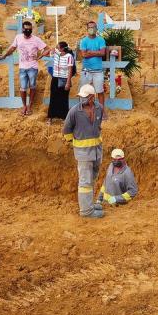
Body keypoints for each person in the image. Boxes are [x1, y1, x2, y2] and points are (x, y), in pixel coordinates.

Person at [62, 84, 105, 218]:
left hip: (97, 151)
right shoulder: (74, 111)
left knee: (92, 179)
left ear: (92, 97)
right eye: (81, 97)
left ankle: (89, 204)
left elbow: (98, 127)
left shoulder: (99, 108)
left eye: (85, 97)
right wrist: (74, 142)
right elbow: (66, 130)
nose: (82, 99)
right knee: (85, 181)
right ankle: (86, 211)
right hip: (83, 153)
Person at [1, 19, 49, 116]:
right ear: (22, 29)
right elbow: (13, 48)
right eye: (26, 29)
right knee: (23, 88)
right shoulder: (18, 38)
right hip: (22, 67)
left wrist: (39, 56)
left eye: (29, 29)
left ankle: (30, 106)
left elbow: (47, 49)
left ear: (31, 30)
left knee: (32, 86)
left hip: (33, 67)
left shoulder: (36, 39)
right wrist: (5, 55)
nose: (28, 31)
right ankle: (24, 106)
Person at [78, 21, 107, 107]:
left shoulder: (101, 40)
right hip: (86, 70)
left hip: (98, 71)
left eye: (93, 27)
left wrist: (90, 52)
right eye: (90, 27)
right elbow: (83, 55)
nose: (92, 29)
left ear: (96, 29)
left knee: (100, 91)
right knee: (84, 91)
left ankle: (102, 110)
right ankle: (83, 109)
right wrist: (96, 52)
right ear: (87, 29)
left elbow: (102, 53)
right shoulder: (84, 41)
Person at [47, 41, 76, 122]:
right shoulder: (56, 54)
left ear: (62, 49)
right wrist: (51, 49)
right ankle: (50, 117)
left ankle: (64, 117)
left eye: (58, 47)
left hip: (64, 79)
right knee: (53, 97)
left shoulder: (69, 56)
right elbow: (46, 52)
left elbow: (70, 70)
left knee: (63, 98)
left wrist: (68, 82)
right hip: (55, 78)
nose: (56, 48)